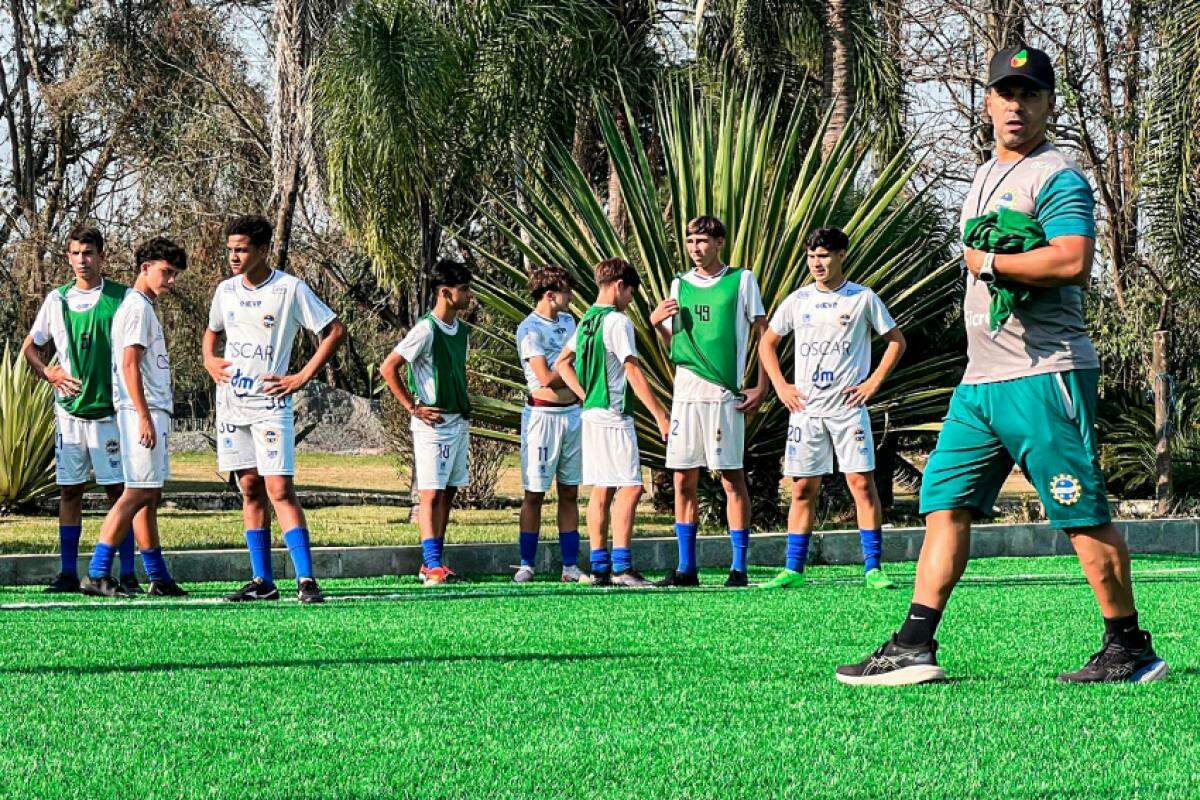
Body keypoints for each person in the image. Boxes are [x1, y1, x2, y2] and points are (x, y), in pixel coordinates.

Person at [836, 46, 1167, 685]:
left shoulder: (1059, 177)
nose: (1016, 104)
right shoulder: (982, 177)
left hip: (1046, 375)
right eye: (1005, 93)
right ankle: (914, 644)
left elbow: (1073, 260)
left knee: (1079, 511)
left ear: (1049, 105)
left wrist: (990, 264)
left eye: (1031, 94)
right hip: (981, 380)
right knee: (944, 503)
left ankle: (1128, 646)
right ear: (987, 103)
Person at [203, 215, 347, 604]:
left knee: (279, 488)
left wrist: (300, 377)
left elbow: (334, 330)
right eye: (231, 249)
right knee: (249, 487)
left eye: (242, 249)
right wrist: (208, 359)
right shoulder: (225, 291)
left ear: (263, 250)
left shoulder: (289, 289)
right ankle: (262, 581)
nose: (234, 256)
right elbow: (213, 332)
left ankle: (306, 579)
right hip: (231, 404)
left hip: (271, 405)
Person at [757, 227, 906, 590]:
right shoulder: (798, 300)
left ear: (842, 255)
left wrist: (872, 383)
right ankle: (793, 569)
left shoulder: (862, 298)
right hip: (806, 410)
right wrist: (780, 385)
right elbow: (767, 344)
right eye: (811, 256)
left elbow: (896, 341)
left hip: (847, 409)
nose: (816, 263)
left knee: (861, 483)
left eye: (823, 255)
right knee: (802, 488)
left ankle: (873, 567)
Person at [21, 225, 143, 593]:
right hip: (69, 413)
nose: (82, 260)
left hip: (110, 411)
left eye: (88, 252)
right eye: (75, 253)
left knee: (118, 492)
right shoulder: (56, 300)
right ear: (68, 258)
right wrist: (49, 372)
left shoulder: (123, 298)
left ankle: (126, 574)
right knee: (70, 491)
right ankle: (68, 573)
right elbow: (30, 347)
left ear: (102, 256)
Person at [650, 216, 769, 588]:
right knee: (683, 478)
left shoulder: (742, 280)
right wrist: (656, 325)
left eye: (702, 240)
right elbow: (679, 347)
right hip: (686, 395)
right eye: (689, 241)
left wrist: (762, 386)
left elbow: (764, 334)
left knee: (732, 477)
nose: (695, 248)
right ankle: (686, 568)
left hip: (723, 395)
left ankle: (739, 568)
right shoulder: (679, 284)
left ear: (719, 241)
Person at [81, 238, 189, 597]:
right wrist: (143, 416)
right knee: (137, 491)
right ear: (146, 268)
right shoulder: (137, 308)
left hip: (148, 411)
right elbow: (129, 364)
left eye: (174, 274)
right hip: (140, 412)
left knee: (149, 493)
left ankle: (158, 576)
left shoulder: (142, 306)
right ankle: (97, 571)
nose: (171, 280)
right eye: (166, 272)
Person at [556, 258, 670, 588]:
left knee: (602, 488)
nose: (630, 300)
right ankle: (622, 567)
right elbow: (631, 369)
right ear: (619, 285)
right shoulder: (616, 322)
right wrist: (660, 414)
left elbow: (562, 363)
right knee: (631, 486)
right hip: (613, 414)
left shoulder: (587, 321)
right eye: (631, 293)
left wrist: (584, 394)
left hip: (591, 413)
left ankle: (600, 568)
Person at [380, 260, 474, 587]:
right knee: (430, 494)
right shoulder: (426, 329)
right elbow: (388, 367)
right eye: (464, 290)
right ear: (446, 293)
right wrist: (411, 406)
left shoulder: (462, 330)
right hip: (432, 423)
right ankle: (432, 564)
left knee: (448, 492)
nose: (469, 295)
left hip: (457, 421)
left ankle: (432, 563)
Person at [513, 265, 587, 583]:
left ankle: (570, 566)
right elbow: (544, 377)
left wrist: (572, 369)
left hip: (574, 415)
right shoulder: (529, 329)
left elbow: (582, 357)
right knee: (535, 492)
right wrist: (568, 369)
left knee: (570, 492)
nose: (571, 297)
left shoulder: (570, 322)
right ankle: (526, 563)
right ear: (550, 295)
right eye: (567, 292)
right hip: (542, 418)